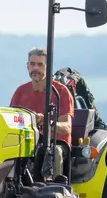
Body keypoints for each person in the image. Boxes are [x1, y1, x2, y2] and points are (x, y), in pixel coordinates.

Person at [10, 47, 75, 177]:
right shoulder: (20, 92)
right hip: (28, 143)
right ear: (27, 66)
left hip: (55, 144)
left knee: (54, 152)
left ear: (48, 67)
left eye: (40, 65)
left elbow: (67, 128)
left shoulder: (61, 92)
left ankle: (52, 188)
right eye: (32, 64)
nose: (35, 68)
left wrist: (46, 122)